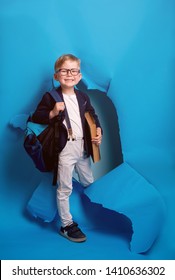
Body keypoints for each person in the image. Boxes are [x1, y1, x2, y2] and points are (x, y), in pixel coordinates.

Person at [32, 54, 102, 242]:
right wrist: (53, 112)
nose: (69, 74)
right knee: (64, 187)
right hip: (64, 149)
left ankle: (99, 213)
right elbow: (37, 116)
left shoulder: (82, 97)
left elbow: (92, 116)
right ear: (56, 76)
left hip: (83, 147)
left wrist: (98, 130)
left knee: (89, 181)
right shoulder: (51, 96)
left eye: (73, 71)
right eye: (64, 71)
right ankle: (67, 224)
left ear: (79, 76)